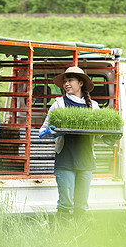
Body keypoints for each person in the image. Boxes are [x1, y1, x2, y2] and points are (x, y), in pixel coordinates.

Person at [39, 66, 99, 220]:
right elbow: (42, 131)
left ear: (80, 83)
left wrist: (109, 137)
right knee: (66, 204)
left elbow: (101, 133)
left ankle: (79, 238)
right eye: (64, 81)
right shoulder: (59, 104)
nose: (66, 84)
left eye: (70, 80)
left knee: (82, 206)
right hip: (66, 160)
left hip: (86, 162)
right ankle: (63, 238)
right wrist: (50, 132)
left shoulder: (93, 106)